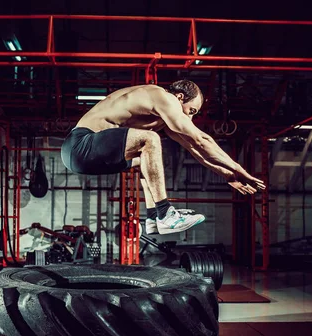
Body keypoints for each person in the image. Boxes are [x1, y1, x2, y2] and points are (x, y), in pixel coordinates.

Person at [61, 80, 265, 235]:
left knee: (144, 158)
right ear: (179, 97)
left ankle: (153, 217)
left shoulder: (162, 117)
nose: (190, 118)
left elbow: (195, 148)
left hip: (82, 157)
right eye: (191, 111)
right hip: (80, 144)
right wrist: (239, 168)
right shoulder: (162, 97)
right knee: (150, 139)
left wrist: (226, 173)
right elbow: (201, 139)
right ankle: (165, 214)